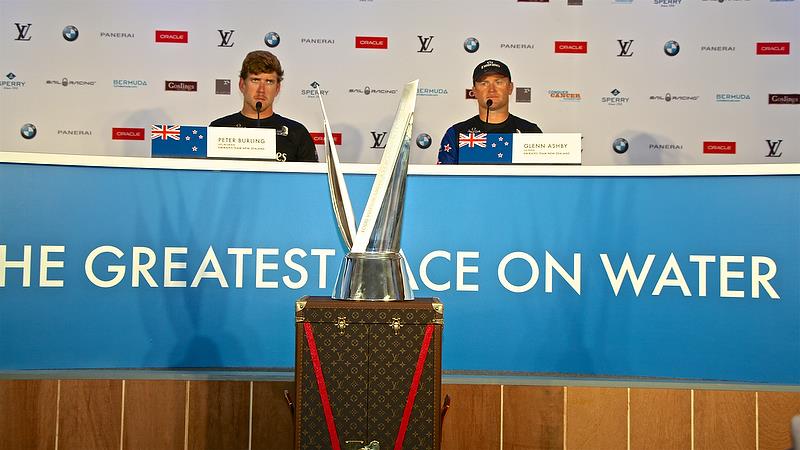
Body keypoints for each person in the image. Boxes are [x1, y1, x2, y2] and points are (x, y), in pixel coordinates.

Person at [210, 50, 318, 162]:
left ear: (277, 89)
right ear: (242, 85)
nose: (261, 90)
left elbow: (311, 178)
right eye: (255, 80)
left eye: (269, 82)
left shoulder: (296, 133)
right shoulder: (219, 128)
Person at [437, 59, 542, 164]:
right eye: (484, 83)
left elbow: (541, 177)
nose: (492, 89)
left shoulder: (529, 131)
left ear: (510, 88)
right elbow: (444, 178)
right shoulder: (457, 132)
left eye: (498, 82)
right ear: (474, 91)